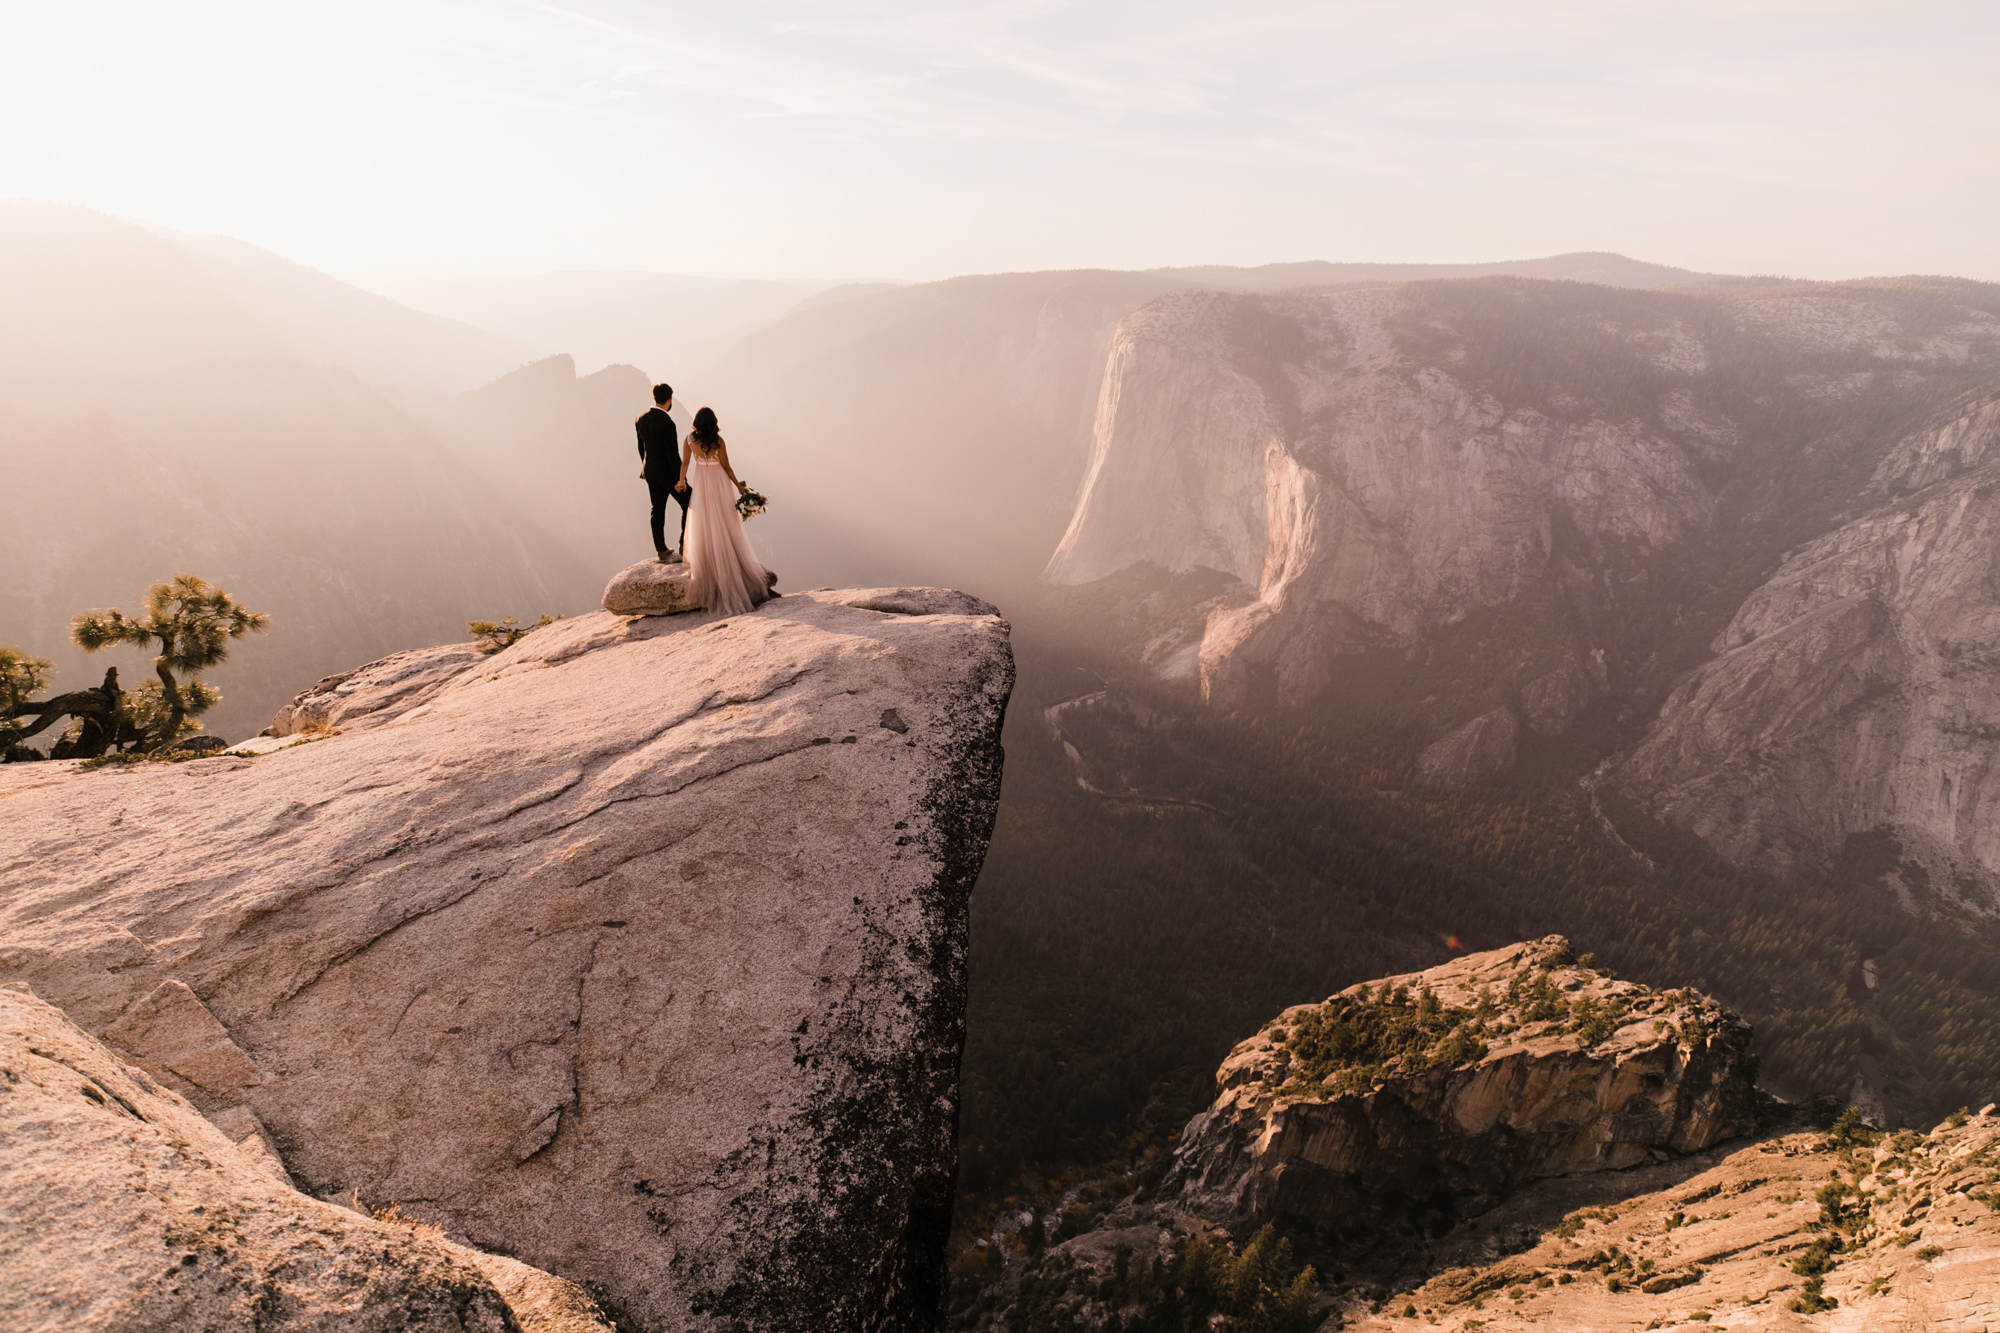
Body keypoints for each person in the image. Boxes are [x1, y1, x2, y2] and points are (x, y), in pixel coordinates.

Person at [675, 407, 772, 616]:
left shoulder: (689, 440)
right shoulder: (719, 442)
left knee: (705, 523)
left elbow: (684, 462)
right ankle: (728, 561)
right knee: (724, 522)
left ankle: (708, 565)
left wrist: (681, 481)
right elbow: (727, 467)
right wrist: (738, 487)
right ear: (713, 422)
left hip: (701, 485)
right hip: (719, 484)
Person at [635, 383, 688, 562]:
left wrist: (647, 466)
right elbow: (672, 454)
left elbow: (641, 449)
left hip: (650, 472)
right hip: (668, 475)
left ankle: (661, 548)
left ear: (654, 397)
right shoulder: (667, 423)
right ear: (669, 399)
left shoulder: (640, 419)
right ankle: (684, 543)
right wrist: (682, 479)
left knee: (657, 509)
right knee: (689, 502)